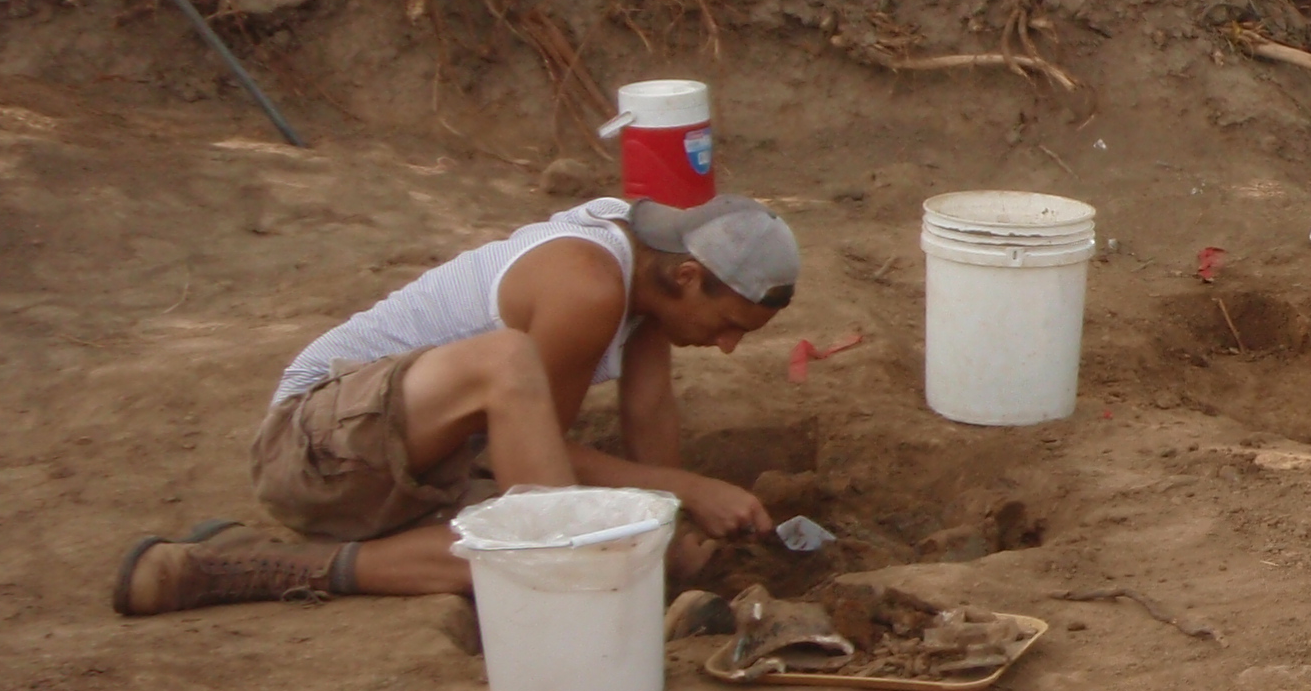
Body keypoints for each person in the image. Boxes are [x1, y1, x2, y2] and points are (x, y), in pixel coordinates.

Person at [115, 194, 801, 616]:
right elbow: (534, 468)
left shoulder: (651, 287)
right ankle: (250, 569)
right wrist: (684, 490)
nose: (730, 346)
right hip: (313, 443)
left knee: (587, 545)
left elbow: (648, 424)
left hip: (410, 456)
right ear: (687, 275)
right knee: (551, 520)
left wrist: (671, 534)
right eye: (728, 324)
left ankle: (244, 566)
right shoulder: (590, 285)